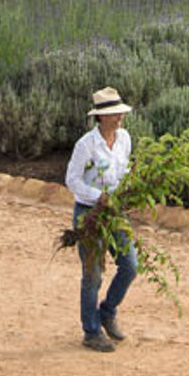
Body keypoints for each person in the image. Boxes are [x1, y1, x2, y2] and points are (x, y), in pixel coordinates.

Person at [66, 86, 138, 352]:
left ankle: (107, 311)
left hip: (115, 212)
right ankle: (91, 331)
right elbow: (72, 180)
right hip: (89, 214)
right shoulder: (86, 145)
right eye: (114, 114)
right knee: (92, 274)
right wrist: (99, 197)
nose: (120, 117)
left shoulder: (124, 139)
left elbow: (124, 170)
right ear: (101, 117)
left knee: (129, 265)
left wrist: (130, 188)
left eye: (121, 113)